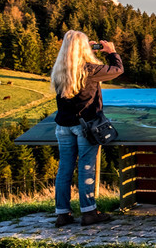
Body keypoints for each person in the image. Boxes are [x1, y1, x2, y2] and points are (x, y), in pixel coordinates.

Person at [51, 30, 124, 227]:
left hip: (63, 127)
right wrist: (110, 52)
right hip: (86, 127)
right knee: (86, 168)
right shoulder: (89, 70)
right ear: (83, 49)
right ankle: (89, 212)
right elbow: (117, 70)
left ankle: (62, 214)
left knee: (64, 169)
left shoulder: (59, 70)